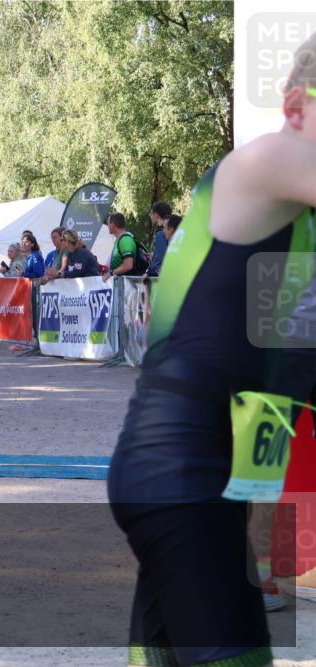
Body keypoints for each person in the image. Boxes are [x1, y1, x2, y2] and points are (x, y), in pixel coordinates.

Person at [108, 33, 316, 667]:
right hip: (178, 471)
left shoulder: (298, 238)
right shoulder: (264, 165)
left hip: (209, 485)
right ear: (294, 106)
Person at [103, 212, 147, 281]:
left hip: (129, 285)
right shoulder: (119, 240)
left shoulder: (125, 240)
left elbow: (128, 265)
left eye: (108, 223)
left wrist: (111, 273)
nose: (107, 226)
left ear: (113, 225)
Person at [147, 201, 173, 277]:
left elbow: (161, 259)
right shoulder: (173, 230)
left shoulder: (161, 234)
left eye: (151, 213)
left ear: (155, 215)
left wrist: (148, 272)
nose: (150, 216)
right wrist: (154, 256)